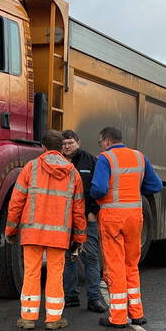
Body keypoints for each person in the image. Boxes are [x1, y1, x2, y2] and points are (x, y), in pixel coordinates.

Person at [5, 130, 87, 330]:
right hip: (59, 235)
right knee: (55, 274)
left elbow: (16, 202)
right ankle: (53, 319)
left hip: (32, 232)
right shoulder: (72, 173)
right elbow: (78, 209)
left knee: (31, 273)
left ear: (43, 146)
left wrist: (11, 229)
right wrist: (80, 237)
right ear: (61, 148)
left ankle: (28, 318)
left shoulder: (31, 168)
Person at [89, 126, 163, 328]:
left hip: (113, 217)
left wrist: (95, 196)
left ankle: (118, 317)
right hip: (134, 216)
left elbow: (99, 188)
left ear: (106, 141)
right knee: (131, 265)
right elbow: (156, 185)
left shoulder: (106, 159)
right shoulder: (139, 157)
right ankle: (137, 313)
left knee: (115, 266)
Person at [60, 130, 108, 313]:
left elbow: (100, 187)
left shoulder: (91, 161)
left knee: (91, 257)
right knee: (68, 258)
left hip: (87, 218)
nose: (67, 146)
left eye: (70, 143)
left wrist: (94, 212)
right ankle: (70, 295)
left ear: (78, 142)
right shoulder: (59, 161)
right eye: (64, 144)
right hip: (65, 219)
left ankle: (94, 298)